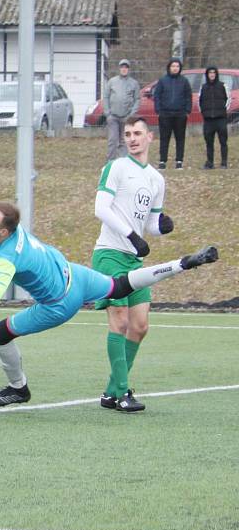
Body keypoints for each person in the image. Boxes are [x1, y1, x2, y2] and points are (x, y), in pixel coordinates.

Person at [0, 202, 218, 408]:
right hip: (75, 274)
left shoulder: (7, 257)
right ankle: (184, 263)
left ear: (4, 232)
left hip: (58, 304)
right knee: (121, 284)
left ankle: (18, 389)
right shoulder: (5, 223)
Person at [92, 116, 174, 412]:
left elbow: (150, 223)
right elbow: (100, 208)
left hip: (134, 260)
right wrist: (130, 235)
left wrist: (162, 226)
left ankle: (111, 391)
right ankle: (124, 392)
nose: (132, 138)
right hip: (110, 254)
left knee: (139, 326)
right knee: (121, 320)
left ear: (150, 137)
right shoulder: (115, 168)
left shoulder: (156, 179)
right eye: (127, 134)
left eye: (137, 133)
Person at [154, 58, 192, 169]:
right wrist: (158, 110)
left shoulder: (184, 81)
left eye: (177, 66)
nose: (175, 68)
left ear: (180, 68)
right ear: (169, 67)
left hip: (180, 114)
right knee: (164, 138)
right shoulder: (162, 81)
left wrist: (187, 111)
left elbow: (188, 96)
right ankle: (162, 161)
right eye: (173, 66)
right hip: (165, 114)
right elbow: (157, 96)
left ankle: (179, 161)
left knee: (180, 138)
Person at [103, 59, 140, 161]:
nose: (124, 69)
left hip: (126, 117)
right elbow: (105, 97)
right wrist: (108, 113)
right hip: (113, 116)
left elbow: (137, 99)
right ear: (119, 69)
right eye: (122, 67)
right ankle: (110, 162)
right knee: (112, 140)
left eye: (126, 67)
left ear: (129, 69)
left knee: (125, 140)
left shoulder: (134, 83)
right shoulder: (112, 82)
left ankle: (123, 161)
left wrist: (132, 114)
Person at [199, 66, 229, 169]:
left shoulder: (222, 86)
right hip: (208, 120)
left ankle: (224, 163)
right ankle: (210, 162)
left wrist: (223, 111)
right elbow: (200, 101)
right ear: (207, 74)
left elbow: (228, 99)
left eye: (213, 73)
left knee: (223, 142)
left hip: (221, 119)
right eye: (210, 73)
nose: (212, 74)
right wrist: (203, 112)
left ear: (216, 74)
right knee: (209, 142)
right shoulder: (203, 87)